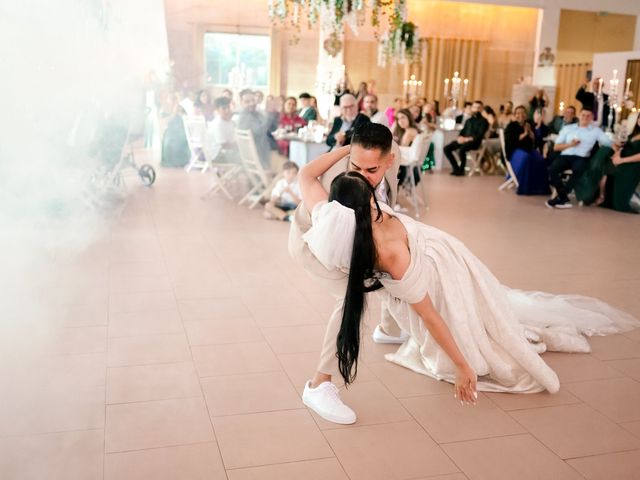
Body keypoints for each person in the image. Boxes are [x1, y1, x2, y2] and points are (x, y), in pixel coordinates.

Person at [297, 149, 639, 421]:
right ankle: (351, 361)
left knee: (478, 312)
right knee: (469, 316)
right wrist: (462, 365)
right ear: (369, 206)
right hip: (437, 256)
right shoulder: (384, 249)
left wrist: (348, 149)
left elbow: (305, 174)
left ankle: (399, 332)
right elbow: (428, 313)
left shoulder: (330, 215)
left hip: (442, 255)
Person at [289, 123, 402, 425]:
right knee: (349, 298)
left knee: (394, 272)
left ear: (389, 160)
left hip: (356, 240)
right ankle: (318, 385)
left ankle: (390, 329)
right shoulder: (331, 195)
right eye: (356, 165)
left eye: (372, 169)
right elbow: (338, 253)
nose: (361, 175)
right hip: (316, 244)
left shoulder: (393, 157)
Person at [546, 108, 613, 209]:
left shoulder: (595, 131)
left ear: (592, 118)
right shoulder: (568, 128)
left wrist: (618, 145)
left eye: (588, 116)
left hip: (581, 157)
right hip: (565, 155)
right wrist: (570, 144)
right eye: (583, 115)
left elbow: (609, 143)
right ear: (579, 115)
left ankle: (561, 197)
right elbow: (556, 147)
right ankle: (563, 197)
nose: (585, 118)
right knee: (552, 170)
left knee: (578, 169)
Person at [575, 114, 640, 212]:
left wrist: (621, 160)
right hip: (622, 159)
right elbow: (624, 147)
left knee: (608, 165)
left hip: (633, 164)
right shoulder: (634, 134)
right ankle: (599, 195)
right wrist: (617, 154)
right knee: (604, 158)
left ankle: (600, 196)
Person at [504, 106, 551, 195]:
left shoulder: (530, 125)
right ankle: (526, 188)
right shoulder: (511, 126)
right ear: (515, 115)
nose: (520, 115)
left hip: (529, 150)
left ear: (526, 115)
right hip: (515, 151)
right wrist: (525, 133)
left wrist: (531, 133)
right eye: (518, 113)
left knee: (541, 160)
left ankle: (540, 189)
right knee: (526, 158)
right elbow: (512, 142)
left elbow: (536, 142)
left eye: (523, 113)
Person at [443, 100, 489, 176]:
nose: (476, 109)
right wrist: (460, 138)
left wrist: (466, 139)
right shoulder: (469, 120)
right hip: (464, 141)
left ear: (481, 109)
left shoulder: (484, 121)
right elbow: (462, 132)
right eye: (474, 107)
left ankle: (461, 170)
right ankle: (456, 168)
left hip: (474, 143)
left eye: (478, 107)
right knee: (447, 148)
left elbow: (479, 136)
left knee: (462, 149)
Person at [236, 89, 275, 169]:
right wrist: (270, 114)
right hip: (259, 157)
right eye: (247, 101)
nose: (252, 103)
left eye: (253, 100)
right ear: (241, 103)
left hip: (261, 154)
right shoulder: (245, 117)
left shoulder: (255, 114)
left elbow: (269, 129)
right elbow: (261, 130)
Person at [206, 96, 236, 161]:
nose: (227, 110)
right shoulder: (218, 123)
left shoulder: (230, 121)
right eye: (224, 108)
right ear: (217, 110)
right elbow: (224, 145)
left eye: (228, 107)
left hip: (226, 151)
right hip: (216, 155)